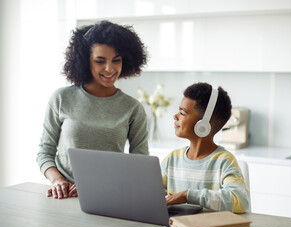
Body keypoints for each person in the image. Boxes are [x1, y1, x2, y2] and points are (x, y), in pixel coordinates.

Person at [36, 21, 149, 200]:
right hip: (64, 198)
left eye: (116, 60)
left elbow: (140, 164)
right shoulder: (61, 98)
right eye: (100, 61)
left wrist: (101, 187)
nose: (110, 69)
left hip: (110, 198)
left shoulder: (133, 108)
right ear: (84, 60)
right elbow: (45, 152)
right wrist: (58, 181)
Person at [160, 82, 250, 213]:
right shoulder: (172, 159)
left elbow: (240, 200)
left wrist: (187, 195)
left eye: (182, 112)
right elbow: (153, 193)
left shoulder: (224, 161)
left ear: (203, 125)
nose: (175, 116)